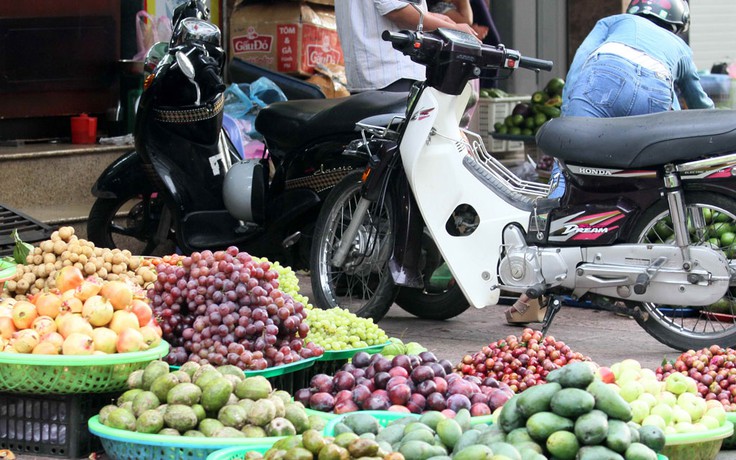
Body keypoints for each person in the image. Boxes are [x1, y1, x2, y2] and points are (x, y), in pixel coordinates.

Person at [506, 0, 714, 324]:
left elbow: (579, 65)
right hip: (655, 93)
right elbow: (700, 104)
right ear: (677, 24)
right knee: (643, 179)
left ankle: (533, 294)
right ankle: (633, 277)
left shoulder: (613, 21)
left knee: (569, 175)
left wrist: (571, 118)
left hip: (602, 80)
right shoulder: (677, 46)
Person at [334, 0, 480, 94]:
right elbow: (397, 11)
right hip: (393, 75)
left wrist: (434, 18)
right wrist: (453, 29)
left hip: (375, 74)